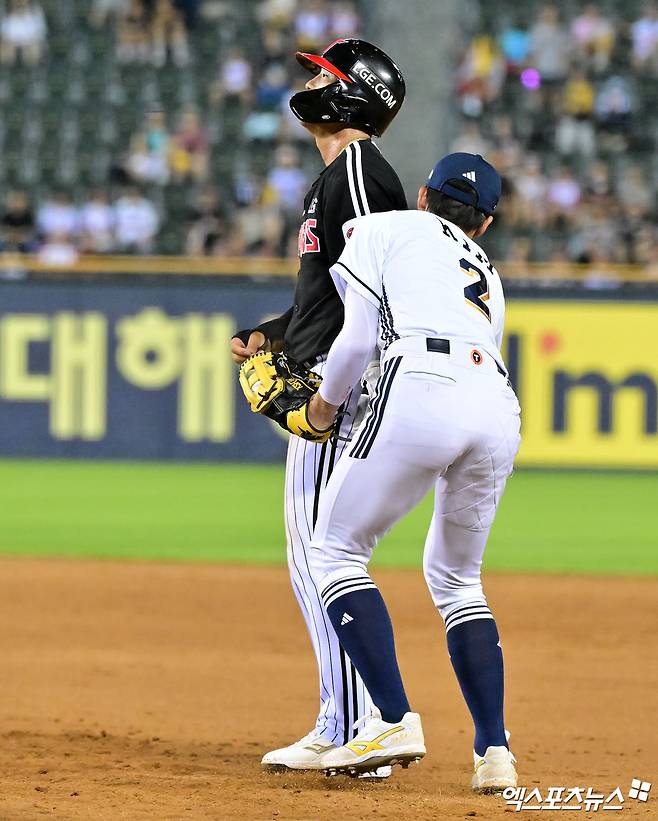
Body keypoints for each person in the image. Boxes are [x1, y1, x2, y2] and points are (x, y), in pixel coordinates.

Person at [304, 153, 521, 792]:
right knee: (459, 581)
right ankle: (494, 751)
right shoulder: (488, 272)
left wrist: (322, 407)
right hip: (497, 402)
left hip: (424, 383)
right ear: (484, 225)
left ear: (423, 194)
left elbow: (356, 339)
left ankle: (394, 719)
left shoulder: (387, 227)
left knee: (335, 551)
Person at [231, 39, 407, 776]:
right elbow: (333, 295)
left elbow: (385, 282)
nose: (308, 83)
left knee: (321, 556)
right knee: (317, 556)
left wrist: (344, 386)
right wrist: (272, 335)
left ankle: (352, 724)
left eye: (322, 76)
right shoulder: (333, 175)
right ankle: (353, 720)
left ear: (352, 95)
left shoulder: (360, 170)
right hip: (327, 373)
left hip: (341, 389)